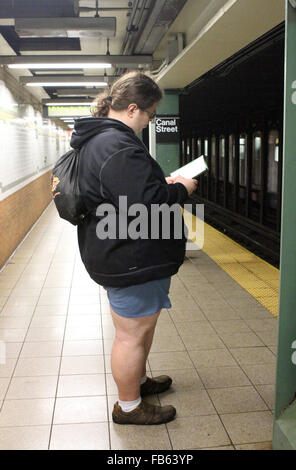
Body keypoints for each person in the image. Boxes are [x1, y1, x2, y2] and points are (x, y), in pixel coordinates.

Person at [70, 71, 198, 425]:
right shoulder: (117, 145)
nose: (150, 121)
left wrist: (160, 181)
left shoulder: (102, 140)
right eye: (151, 114)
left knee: (142, 328)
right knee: (131, 335)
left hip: (124, 252)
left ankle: (139, 382)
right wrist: (181, 188)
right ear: (132, 109)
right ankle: (128, 407)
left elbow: (129, 191)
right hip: (129, 256)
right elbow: (147, 204)